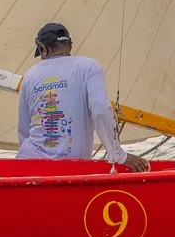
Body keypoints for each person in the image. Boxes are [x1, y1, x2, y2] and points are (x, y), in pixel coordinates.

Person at [16, 23, 149, 171]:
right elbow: (100, 110)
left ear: (43, 49)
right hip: (72, 168)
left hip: (29, 163)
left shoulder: (29, 76)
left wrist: (26, 167)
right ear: (69, 46)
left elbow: (23, 129)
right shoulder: (88, 67)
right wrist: (118, 154)